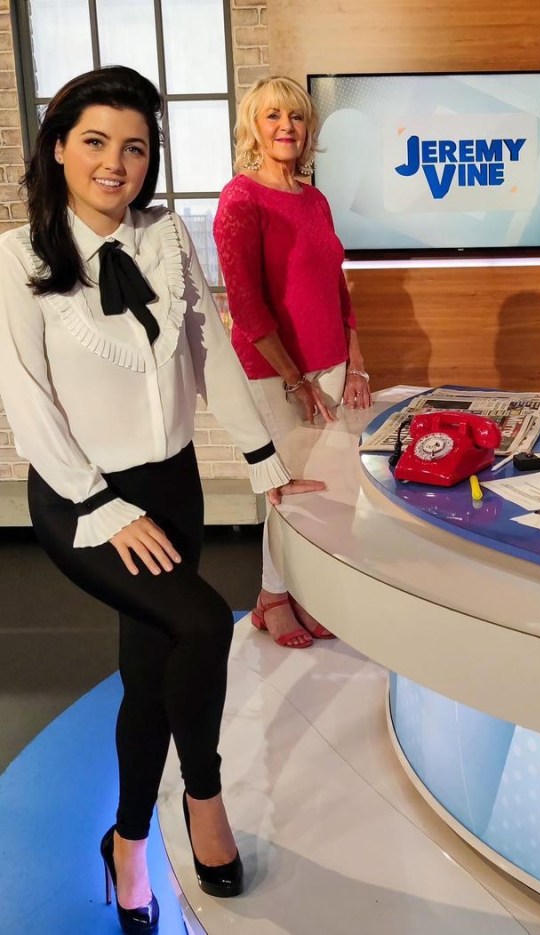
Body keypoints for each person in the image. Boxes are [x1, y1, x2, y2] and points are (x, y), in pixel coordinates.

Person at [0, 66, 324, 933]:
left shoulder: (169, 236)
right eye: (96, 141)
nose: (117, 162)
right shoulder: (17, 253)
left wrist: (264, 460)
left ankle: (128, 844)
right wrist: (104, 507)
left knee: (149, 673)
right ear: (59, 146)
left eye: (135, 146)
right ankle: (205, 797)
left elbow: (210, 351)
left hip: (172, 482)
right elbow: (29, 409)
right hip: (81, 499)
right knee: (199, 621)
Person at [214, 76, 370, 649]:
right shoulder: (241, 199)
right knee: (287, 490)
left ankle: (303, 593)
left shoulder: (315, 197)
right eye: (274, 116)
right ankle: (274, 599)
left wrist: (355, 364)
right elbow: (248, 310)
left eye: (297, 117)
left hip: (329, 365)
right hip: (273, 373)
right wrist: (296, 379)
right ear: (254, 127)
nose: (287, 127)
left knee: (325, 489)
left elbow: (337, 286)